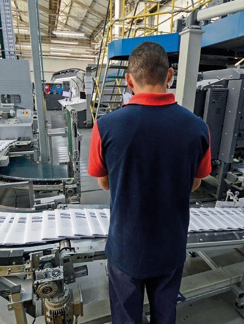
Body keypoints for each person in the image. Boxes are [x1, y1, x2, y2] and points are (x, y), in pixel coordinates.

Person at [87, 41, 211, 324]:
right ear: (169, 76)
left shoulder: (105, 126)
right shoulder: (197, 128)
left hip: (126, 247)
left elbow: (104, 183)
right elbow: (195, 185)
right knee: (165, 315)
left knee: (126, 317)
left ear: (129, 81)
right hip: (171, 244)